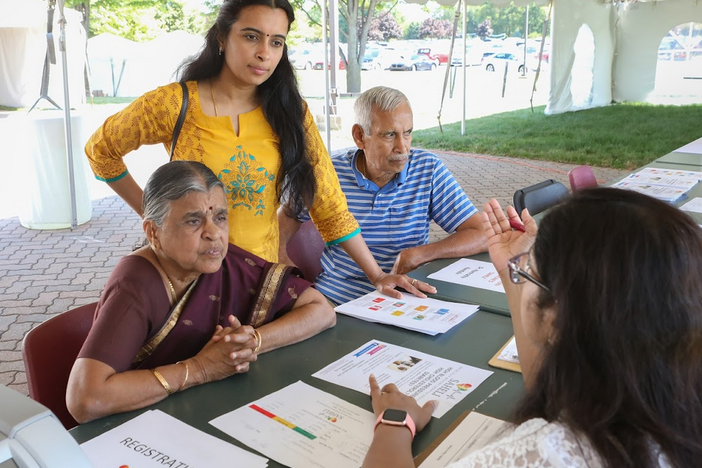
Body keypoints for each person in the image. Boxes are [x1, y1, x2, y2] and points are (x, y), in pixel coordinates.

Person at [84, 0, 432, 301]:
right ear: (222, 37)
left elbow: (328, 204)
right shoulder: (174, 104)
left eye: (276, 42)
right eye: (251, 37)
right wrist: (157, 220)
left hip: (259, 279)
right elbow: (101, 151)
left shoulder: (289, 112)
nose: (265, 53)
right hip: (188, 279)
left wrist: (377, 275)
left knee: (306, 324)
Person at [361, 188, 702, 468]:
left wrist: (394, 424)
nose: (521, 271)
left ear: (558, 316)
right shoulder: (668, 399)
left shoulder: (536, 456)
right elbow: (548, 388)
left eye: (528, 270)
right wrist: (512, 271)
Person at [66, 161, 336, 424]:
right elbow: (85, 400)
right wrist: (200, 369)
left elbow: (321, 311)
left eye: (220, 217)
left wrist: (247, 343)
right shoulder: (135, 285)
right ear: (153, 232)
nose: (214, 233)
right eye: (193, 221)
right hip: (145, 428)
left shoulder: (221, 263)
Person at [279, 86, 486, 305]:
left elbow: (481, 233)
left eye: (407, 133)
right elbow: (284, 221)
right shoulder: (327, 174)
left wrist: (421, 253)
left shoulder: (428, 169)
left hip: (404, 294)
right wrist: (284, 268)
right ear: (360, 136)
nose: (402, 147)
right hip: (337, 297)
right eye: (389, 135)